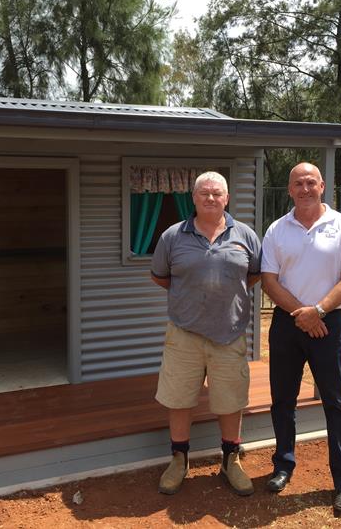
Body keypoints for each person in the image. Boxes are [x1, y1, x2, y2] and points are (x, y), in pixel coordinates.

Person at [150, 171, 261, 496]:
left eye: (217, 193)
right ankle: (179, 459)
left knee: (230, 400)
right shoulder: (172, 236)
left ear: (227, 198)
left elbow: (252, 275)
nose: (210, 198)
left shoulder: (246, 235)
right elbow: (161, 277)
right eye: (204, 194)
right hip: (184, 333)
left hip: (229, 334)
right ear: (194, 198)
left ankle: (230, 460)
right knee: (179, 398)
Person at [260, 162, 341, 514]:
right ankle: (283, 465)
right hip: (288, 324)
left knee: (336, 403)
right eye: (297, 184)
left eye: (310, 182)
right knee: (282, 400)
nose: (304, 188)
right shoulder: (276, 229)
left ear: (322, 186)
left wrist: (317, 311)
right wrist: (302, 315)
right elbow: (269, 281)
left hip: (328, 323)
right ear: (289, 190)